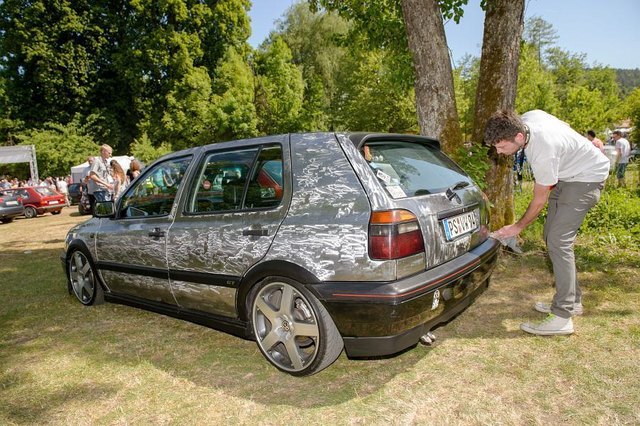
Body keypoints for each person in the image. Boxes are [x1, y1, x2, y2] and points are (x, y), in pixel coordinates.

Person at [485, 110, 610, 336]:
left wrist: (516, 227)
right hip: (567, 175)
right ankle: (574, 301)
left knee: (559, 241)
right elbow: (565, 123)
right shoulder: (528, 118)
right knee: (549, 235)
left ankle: (562, 317)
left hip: (587, 178)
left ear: (519, 138)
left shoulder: (542, 152)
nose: (498, 152)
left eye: (502, 147)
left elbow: (539, 200)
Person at [87, 144, 114, 211]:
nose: (110, 155)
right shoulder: (97, 161)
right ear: (103, 151)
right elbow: (92, 175)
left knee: (108, 210)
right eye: (109, 153)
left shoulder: (105, 162)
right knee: (103, 211)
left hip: (105, 189)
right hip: (99, 190)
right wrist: (106, 184)